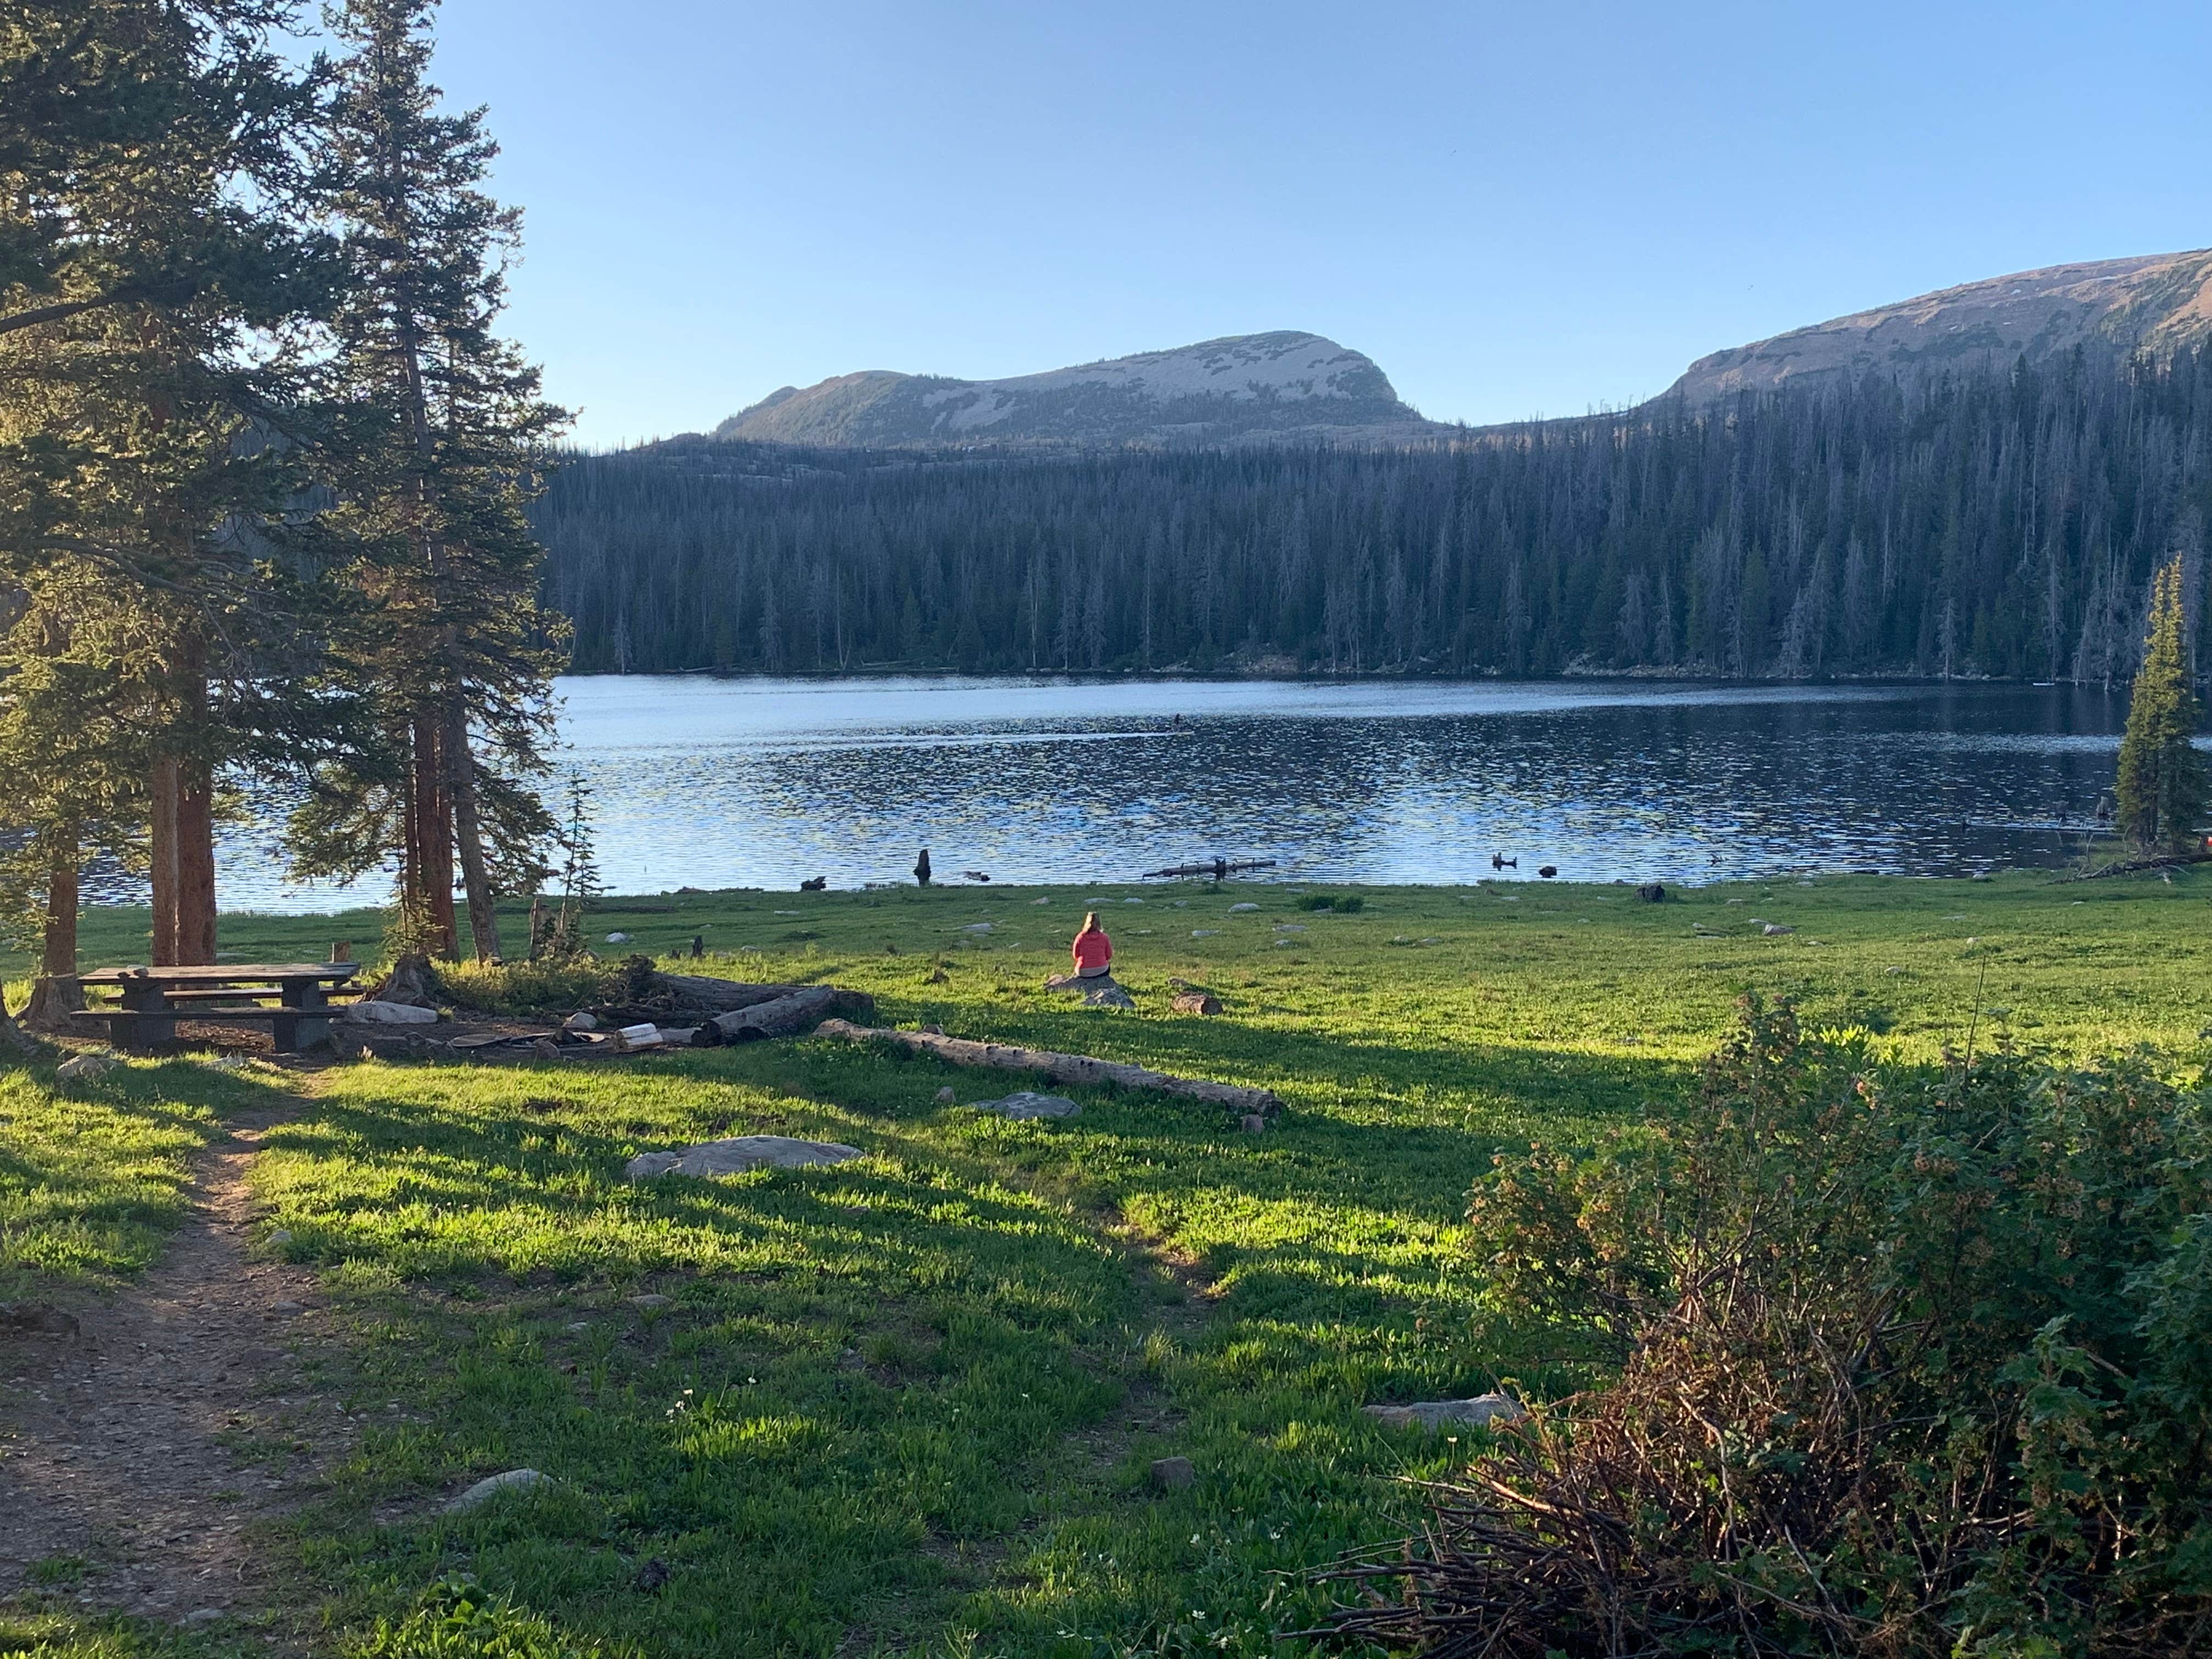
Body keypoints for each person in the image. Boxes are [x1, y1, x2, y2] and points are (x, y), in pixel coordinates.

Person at [1071, 912, 1113, 979]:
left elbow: (1076, 955)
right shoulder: (1104, 937)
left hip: (1083, 971)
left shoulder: (1080, 937)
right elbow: (1109, 955)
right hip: (1101, 970)